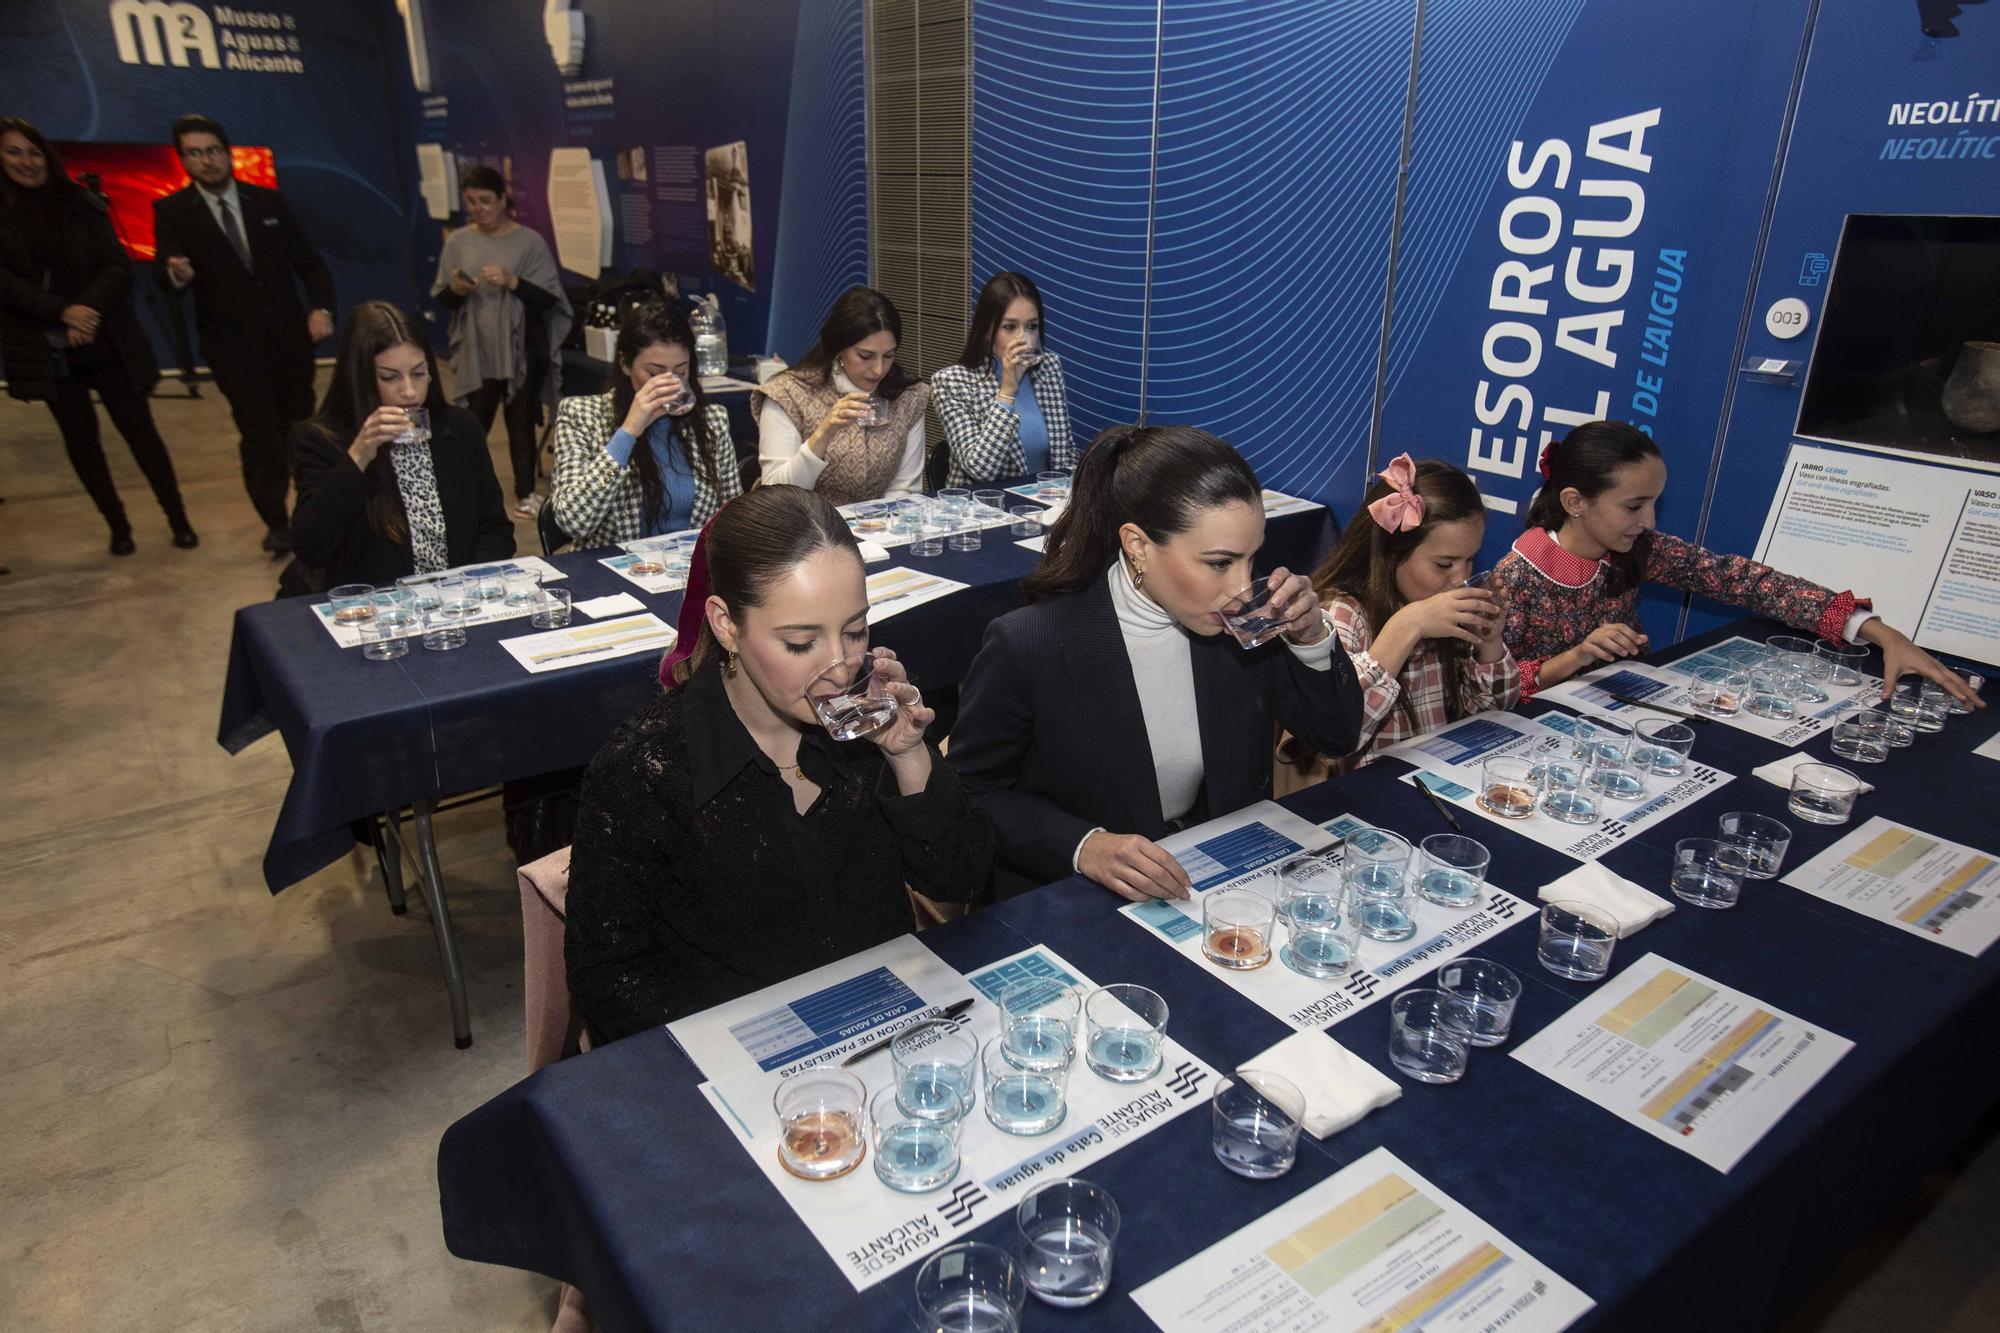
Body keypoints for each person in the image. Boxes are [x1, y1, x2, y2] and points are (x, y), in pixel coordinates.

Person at [564, 485, 994, 1040]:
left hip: (884, 1025)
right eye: (800, 643)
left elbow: (961, 877)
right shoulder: (647, 769)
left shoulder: (862, 731)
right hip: (740, 1057)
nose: (840, 668)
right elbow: (609, 979)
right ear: (725, 626)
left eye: (856, 630)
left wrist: (910, 757)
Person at [949, 424, 1364, 902]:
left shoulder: (1242, 628)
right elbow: (972, 793)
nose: (1240, 588)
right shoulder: (1031, 643)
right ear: (1138, 545)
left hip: (1218, 875)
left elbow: (1335, 736)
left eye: (1252, 559)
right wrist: (1085, 847)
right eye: (1219, 563)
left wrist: (1312, 638)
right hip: (1077, 895)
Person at [1493, 420, 1981, 707]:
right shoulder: (1515, 578)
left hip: (1626, 705)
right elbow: (1492, 688)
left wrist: (1878, 632)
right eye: (1634, 505)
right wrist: (1576, 656)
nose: (1649, 520)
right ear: (1576, 502)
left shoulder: (1640, 550)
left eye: (1655, 503)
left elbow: (1746, 582)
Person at [0, 118, 196, 556]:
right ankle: (118, 526)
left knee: (141, 433)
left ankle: (178, 518)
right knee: (81, 442)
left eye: (32, 152)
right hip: (48, 345)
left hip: (106, 337)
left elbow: (115, 265)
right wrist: (61, 311)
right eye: (13, 152)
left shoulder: (80, 201)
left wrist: (85, 311)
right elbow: (7, 284)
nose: (26, 162)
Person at [1277, 455, 1518, 793]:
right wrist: (1406, 627)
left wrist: (1489, 642)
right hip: (1361, 798)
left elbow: (1497, 710)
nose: (1460, 578)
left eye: (1470, 560)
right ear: (1390, 554)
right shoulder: (1342, 614)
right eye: (1444, 563)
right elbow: (1333, 737)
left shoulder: (1446, 611)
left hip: (1430, 784)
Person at [152, 113, 332, 556]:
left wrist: (321, 309)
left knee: (300, 427)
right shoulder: (173, 212)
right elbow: (166, 272)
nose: (207, 161)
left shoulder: (266, 202)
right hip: (233, 349)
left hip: (289, 342)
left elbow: (309, 263)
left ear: (227, 152)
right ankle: (276, 521)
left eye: (213, 150)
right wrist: (175, 273)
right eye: (195, 153)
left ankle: (314, 509)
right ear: (184, 160)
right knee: (259, 434)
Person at [288, 301, 514, 588]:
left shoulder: (460, 427)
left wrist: (468, 586)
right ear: (360, 379)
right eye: (389, 377)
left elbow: (496, 529)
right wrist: (357, 458)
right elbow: (311, 549)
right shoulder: (320, 441)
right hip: (377, 612)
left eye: (419, 373)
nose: (409, 391)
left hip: (458, 604)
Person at [432, 165, 571, 519]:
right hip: (477, 350)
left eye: (486, 201)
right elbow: (443, 298)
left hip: (519, 349)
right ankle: (468, 492)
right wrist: (458, 290)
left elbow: (549, 299)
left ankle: (525, 494)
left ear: (503, 200)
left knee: (520, 423)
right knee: (470, 424)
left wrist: (513, 282)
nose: (479, 208)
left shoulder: (529, 242)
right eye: (472, 202)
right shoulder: (459, 241)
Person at [549, 301, 741, 548]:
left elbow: (734, 519)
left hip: (686, 570)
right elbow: (573, 521)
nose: (669, 383)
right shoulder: (582, 416)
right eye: (654, 372)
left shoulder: (711, 422)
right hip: (611, 572)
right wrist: (628, 432)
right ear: (625, 364)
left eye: (680, 371)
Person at [754, 285, 930, 506]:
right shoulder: (788, 393)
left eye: (888, 356)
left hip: (881, 529)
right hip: (806, 532)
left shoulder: (908, 395)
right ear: (839, 349)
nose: (878, 369)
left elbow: (905, 490)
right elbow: (776, 497)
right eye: (865, 356)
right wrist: (823, 434)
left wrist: (878, 524)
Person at [932, 271, 1078, 487]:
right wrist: (1007, 392)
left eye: (1032, 326)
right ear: (988, 330)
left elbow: (1064, 456)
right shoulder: (952, 382)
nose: (1023, 339)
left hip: (1048, 503)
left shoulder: (1049, 367)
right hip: (982, 509)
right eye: (1009, 327)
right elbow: (981, 469)